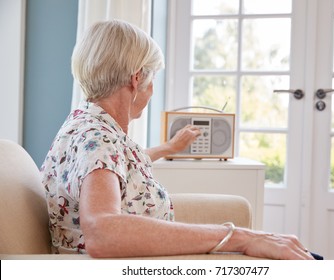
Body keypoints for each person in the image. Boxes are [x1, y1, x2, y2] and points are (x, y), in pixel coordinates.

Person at [40, 19, 314, 260]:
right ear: (137, 79)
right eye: (152, 78)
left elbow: (114, 166)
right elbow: (102, 232)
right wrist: (239, 237)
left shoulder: (87, 125)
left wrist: (169, 148)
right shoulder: (98, 137)